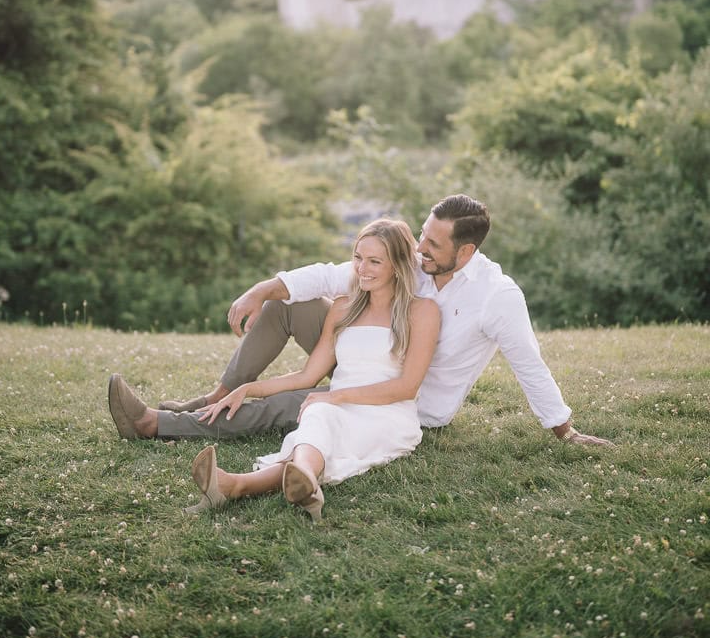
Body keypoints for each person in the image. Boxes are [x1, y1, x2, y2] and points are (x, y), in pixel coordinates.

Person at [107, 195, 611, 448]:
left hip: (404, 401)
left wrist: (563, 429)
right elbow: (337, 274)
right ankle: (216, 397)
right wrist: (265, 288)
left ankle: (157, 424)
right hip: (359, 365)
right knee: (287, 306)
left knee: (295, 402)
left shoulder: (497, 297)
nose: (419, 251)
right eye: (421, 237)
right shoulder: (420, 260)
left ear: (468, 250)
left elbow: (529, 363)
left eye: (433, 245)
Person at [111, 219, 439, 521]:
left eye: (374, 261)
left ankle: (246, 484)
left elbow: (407, 387)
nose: (361, 269)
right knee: (318, 415)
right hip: (338, 404)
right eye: (357, 258)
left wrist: (336, 397)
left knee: (320, 413)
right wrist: (247, 389)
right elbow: (308, 376)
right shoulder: (343, 307)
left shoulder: (422, 312)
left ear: (396, 265)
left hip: (387, 410)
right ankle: (291, 483)